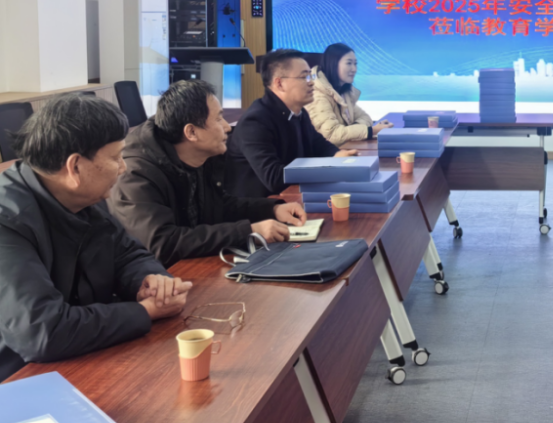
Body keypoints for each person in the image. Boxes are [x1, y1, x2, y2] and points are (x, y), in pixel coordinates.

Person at [0, 94, 190, 381]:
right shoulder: (7, 221)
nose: (123, 167)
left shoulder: (83, 195)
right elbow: (41, 332)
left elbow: (128, 254)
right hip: (19, 379)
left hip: (85, 355)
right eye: (115, 158)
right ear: (75, 167)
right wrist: (144, 312)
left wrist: (151, 282)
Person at [109, 79, 309, 267]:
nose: (227, 127)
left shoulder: (199, 154)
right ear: (191, 132)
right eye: (219, 119)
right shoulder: (136, 173)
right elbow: (162, 243)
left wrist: (272, 209)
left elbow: (219, 205)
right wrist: (249, 232)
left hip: (189, 267)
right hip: (157, 279)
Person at [225, 49, 353, 197]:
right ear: (279, 83)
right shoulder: (255, 121)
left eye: (311, 76)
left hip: (291, 198)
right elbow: (274, 177)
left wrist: (338, 155)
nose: (312, 83)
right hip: (262, 206)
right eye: (304, 77)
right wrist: (328, 166)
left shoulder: (299, 112)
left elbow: (318, 144)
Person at [309, 43, 392, 146]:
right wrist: (371, 131)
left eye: (355, 64)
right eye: (349, 63)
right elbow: (331, 135)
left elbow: (366, 118)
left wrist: (352, 129)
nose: (354, 69)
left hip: (343, 150)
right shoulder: (317, 95)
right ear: (333, 64)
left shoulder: (343, 92)